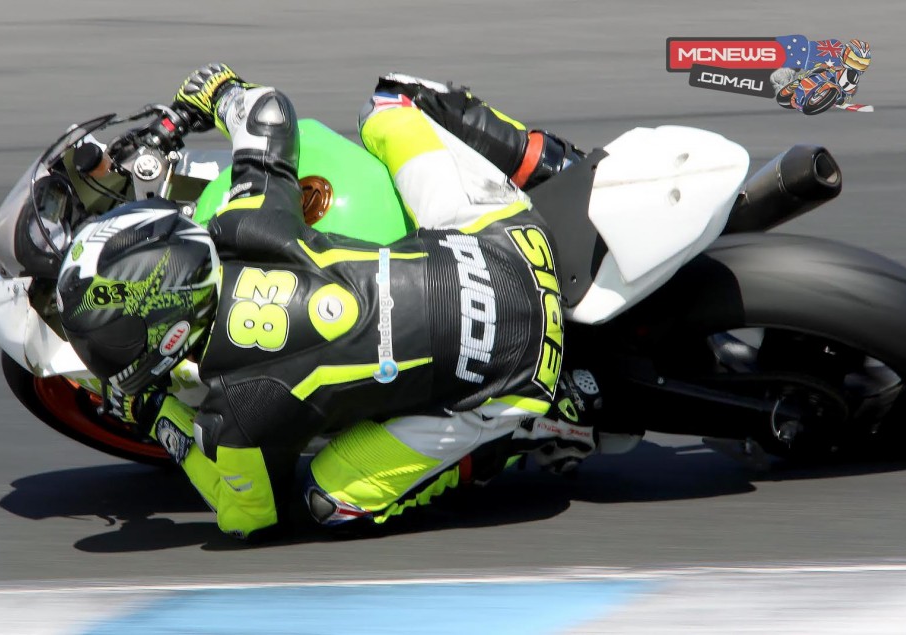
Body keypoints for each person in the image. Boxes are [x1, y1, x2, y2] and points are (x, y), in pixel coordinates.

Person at [56, 63, 604, 539]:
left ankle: (528, 433)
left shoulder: (233, 419)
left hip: (519, 382)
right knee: (389, 103)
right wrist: (218, 93)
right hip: (514, 244)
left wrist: (156, 412)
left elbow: (246, 518)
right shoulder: (250, 221)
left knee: (326, 502)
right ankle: (560, 167)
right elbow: (268, 114)